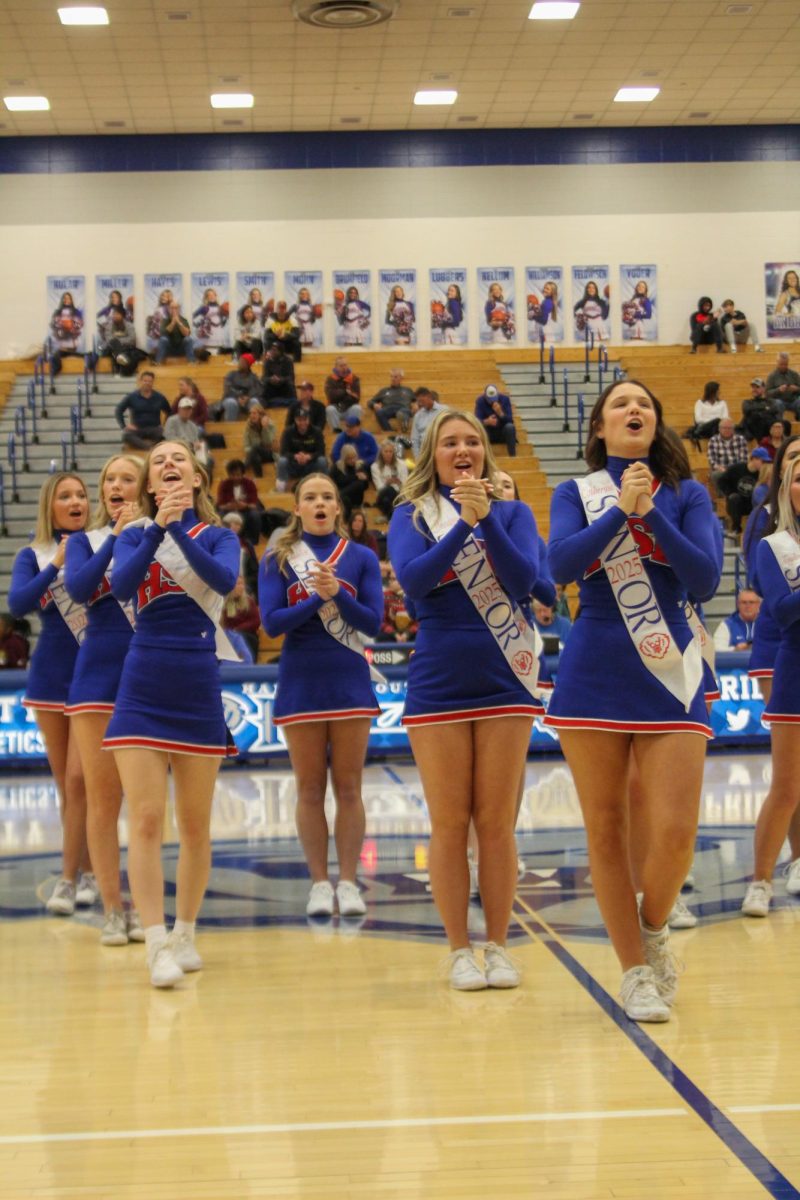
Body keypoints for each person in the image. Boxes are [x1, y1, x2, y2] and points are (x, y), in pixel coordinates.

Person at [545, 378, 721, 1022]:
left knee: (675, 832)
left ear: (657, 422)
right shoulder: (576, 493)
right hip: (594, 665)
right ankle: (633, 971)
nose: (634, 409)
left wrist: (650, 515)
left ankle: (652, 927)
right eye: (620, 403)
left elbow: (702, 577)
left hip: (670, 666)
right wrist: (620, 510)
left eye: (644, 402)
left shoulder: (688, 492)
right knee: (607, 830)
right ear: (599, 429)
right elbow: (560, 566)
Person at [388, 410, 545, 991]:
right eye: (449, 441)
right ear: (432, 455)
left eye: (472, 441)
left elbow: (524, 581)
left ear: (484, 453)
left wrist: (486, 521)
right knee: (450, 823)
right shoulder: (411, 516)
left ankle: (499, 945)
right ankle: (458, 949)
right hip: (439, 679)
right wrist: (461, 526)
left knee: (497, 822)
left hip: (506, 677)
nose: (463, 448)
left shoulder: (514, 512)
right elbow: (416, 582)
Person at [103, 441, 240, 988]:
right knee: (146, 819)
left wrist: (179, 527)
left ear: (198, 478)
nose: (167, 465)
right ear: (150, 486)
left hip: (198, 683)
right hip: (142, 684)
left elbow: (224, 581)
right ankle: (155, 942)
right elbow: (119, 584)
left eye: (177, 458)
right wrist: (158, 527)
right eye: (157, 462)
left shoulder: (221, 536)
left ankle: (185, 931)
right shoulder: (136, 535)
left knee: (196, 825)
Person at [259, 473, 384, 917]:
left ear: (338, 509)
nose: (318, 503)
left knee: (349, 787)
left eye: (326, 497)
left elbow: (373, 623)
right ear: (297, 508)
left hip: (348, 679)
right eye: (309, 497)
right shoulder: (277, 557)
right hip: (301, 680)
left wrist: (337, 596)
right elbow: (272, 624)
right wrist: (319, 597)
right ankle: (318, 882)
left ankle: (348, 882)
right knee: (309, 788)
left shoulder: (362, 557)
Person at [64, 455, 144, 946]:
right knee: (103, 798)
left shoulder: (162, 539)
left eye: (127, 479)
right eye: (109, 479)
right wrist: (115, 534)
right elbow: (80, 586)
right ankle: (113, 909)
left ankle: (146, 905)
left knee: (147, 804)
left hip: (148, 677)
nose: (116, 485)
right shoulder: (83, 542)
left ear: (145, 487)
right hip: (96, 678)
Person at [8, 474, 92, 917]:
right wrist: (55, 564)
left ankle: (68, 878)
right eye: (66, 496)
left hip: (93, 673)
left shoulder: (102, 546)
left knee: (83, 781)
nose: (75, 501)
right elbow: (19, 604)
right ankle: (88, 871)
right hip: (50, 673)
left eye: (80, 494)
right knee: (67, 786)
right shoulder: (33, 554)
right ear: (50, 506)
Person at [745, 456, 800, 918]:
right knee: (787, 785)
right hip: (796, 666)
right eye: (799, 478)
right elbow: (782, 611)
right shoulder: (774, 546)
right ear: (786, 490)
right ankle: (760, 881)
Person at [718, 446, 771, 536]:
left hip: (752, 504)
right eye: (763, 461)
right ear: (753, 459)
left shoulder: (762, 473)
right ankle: (736, 529)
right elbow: (721, 481)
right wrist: (729, 492)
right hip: (737, 504)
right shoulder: (736, 468)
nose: (764, 464)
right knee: (734, 498)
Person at [115, 370, 171, 451]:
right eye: (145, 381)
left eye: (150, 381)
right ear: (140, 381)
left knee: (165, 435)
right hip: (137, 429)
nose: (147, 383)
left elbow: (169, 412)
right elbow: (119, 410)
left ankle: (146, 446)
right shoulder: (132, 396)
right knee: (126, 435)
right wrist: (124, 426)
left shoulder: (160, 397)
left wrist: (164, 425)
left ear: (153, 382)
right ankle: (149, 447)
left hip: (154, 428)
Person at [276, 410, 328, 493]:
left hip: (311, 465)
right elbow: (283, 452)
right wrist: (295, 456)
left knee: (322, 461)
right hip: (294, 465)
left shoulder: (317, 432)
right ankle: (280, 490)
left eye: (305, 419)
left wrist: (309, 457)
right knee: (282, 461)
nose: (302, 422)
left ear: (309, 419)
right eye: (299, 420)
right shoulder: (288, 432)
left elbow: (321, 451)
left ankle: (325, 487)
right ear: (295, 420)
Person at [216, 459, 262, 544]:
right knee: (219, 515)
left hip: (246, 510)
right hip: (228, 510)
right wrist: (229, 506)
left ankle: (253, 541)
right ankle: (221, 539)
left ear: (242, 474)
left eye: (238, 475)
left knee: (255, 515)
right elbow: (220, 505)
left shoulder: (250, 483)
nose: (235, 478)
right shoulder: (224, 484)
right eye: (232, 475)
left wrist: (245, 505)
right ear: (229, 474)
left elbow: (254, 504)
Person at [221, 575, 260, 662]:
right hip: (230, 635)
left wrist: (237, 629)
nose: (241, 587)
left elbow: (255, 621)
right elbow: (223, 623)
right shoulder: (224, 602)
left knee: (244, 638)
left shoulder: (249, 601)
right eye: (238, 584)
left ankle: (248, 664)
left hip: (247, 634)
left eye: (242, 584)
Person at [707, 418, 749, 494]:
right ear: (719, 429)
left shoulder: (741, 439)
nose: (727, 430)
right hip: (721, 470)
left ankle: (739, 495)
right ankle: (723, 498)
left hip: (737, 469)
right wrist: (721, 468)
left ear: (733, 429)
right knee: (716, 475)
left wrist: (733, 470)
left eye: (729, 428)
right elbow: (712, 460)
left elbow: (744, 459)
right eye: (724, 428)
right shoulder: (713, 440)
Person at [371, 439, 409, 522]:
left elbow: (405, 484)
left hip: (399, 494)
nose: (388, 454)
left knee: (388, 500)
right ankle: (393, 518)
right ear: (381, 452)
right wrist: (387, 483)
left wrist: (399, 482)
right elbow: (379, 487)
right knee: (388, 491)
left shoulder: (401, 464)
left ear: (394, 452)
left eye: (390, 451)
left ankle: (388, 518)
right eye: (386, 451)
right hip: (382, 494)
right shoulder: (375, 466)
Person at [367, 369, 415, 433]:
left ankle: (404, 426)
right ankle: (389, 431)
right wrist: (374, 405)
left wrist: (416, 405)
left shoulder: (408, 390)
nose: (393, 379)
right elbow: (370, 402)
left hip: (403, 408)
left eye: (395, 377)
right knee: (380, 412)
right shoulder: (384, 391)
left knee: (403, 412)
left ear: (401, 378)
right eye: (391, 376)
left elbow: (417, 400)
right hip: (388, 409)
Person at [475, 385, 517, 457]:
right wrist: (487, 421)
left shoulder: (505, 399)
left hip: (502, 432)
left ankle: (512, 456)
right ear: (485, 396)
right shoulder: (480, 401)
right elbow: (477, 421)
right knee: (480, 430)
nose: (492, 401)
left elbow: (510, 420)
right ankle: (484, 458)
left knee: (510, 427)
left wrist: (500, 413)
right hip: (489, 433)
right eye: (490, 399)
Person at [330, 443, 370, 518]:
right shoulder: (337, 467)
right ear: (344, 458)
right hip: (343, 499)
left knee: (359, 484)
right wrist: (355, 477)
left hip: (356, 498)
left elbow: (364, 487)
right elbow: (339, 481)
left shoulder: (360, 466)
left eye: (354, 457)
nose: (352, 460)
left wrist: (365, 479)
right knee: (345, 500)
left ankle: (340, 495)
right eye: (349, 458)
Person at [738, 378, 783, 442]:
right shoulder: (747, 402)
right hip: (753, 429)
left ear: (764, 389)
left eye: (757, 387)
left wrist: (755, 409)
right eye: (753, 387)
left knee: (783, 423)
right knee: (755, 417)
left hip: (767, 428)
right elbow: (746, 410)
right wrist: (765, 408)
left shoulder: (771, 402)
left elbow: (774, 410)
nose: (754, 389)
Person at [324, 357, 362, 432]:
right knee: (329, 409)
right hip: (335, 408)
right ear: (336, 367)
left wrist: (340, 394)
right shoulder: (330, 379)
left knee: (357, 408)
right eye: (341, 366)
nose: (344, 367)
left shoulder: (354, 378)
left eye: (345, 365)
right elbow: (331, 396)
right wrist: (345, 392)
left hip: (349, 407)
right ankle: (336, 432)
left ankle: (352, 430)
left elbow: (356, 398)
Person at [221, 353, 262, 420]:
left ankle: (255, 426)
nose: (239, 363)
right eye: (239, 361)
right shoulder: (231, 374)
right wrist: (238, 397)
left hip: (247, 400)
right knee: (231, 403)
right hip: (232, 398)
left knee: (254, 401)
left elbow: (257, 390)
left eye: (242, 362)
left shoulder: (253, 377)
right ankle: (230, 427)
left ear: (248, 364)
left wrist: (248, 397)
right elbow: (228, 389)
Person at [409, 388, 444, 461]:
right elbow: (414, 439)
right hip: (424, 453)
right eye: (418, 401)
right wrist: (417, 458)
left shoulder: (444, 411)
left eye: (422, 401)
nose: (420, 404)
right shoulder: (418, 416)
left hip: (441, 450)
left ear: (429, 396)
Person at [243, 406, 278, 478]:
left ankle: (244, 467)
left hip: (269, 453)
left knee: (255, 448)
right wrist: (252, 451)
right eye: (250, 413)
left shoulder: (270, 425)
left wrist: (265, 428)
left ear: (261, 415)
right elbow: (246, 446)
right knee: (256, 456)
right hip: (255, 455)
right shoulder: (248, 427)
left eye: (254, 413)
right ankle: (259, 478)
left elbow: (269, 441)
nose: (251, 415)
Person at [261, 342, 296, 407]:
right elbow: (264, 377)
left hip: (284, 386)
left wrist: (280, 379)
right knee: (264, 386)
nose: (272, 352)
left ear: (280, 351)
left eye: (274, 350)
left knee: (290, 384)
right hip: (272, 386)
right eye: (271, 350)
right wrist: (270, 379)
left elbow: (291, 377)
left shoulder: (288, 361)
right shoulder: (268, 362)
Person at [766, 352, 800, 418]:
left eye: (786, 364)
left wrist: (796, 389)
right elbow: (767, 394)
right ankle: (779, 424)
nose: (784, 366)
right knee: (778, 403)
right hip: (779, 401)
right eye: (781, 364)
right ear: (777, 363)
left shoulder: (794, 374)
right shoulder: (772, 376)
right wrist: (778, 390)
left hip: (793, 401)